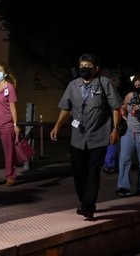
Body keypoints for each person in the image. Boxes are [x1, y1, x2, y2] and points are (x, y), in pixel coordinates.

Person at [50, 53, 122, 220]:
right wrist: (57, 126)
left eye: (88, 67)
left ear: (96, 69)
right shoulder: (73, 85)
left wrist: (115, 129)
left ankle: (88, 206)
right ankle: (85, 202)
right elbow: (65, 108)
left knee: (92, 171)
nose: (84, 69)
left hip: (99, 136)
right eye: (81, 66)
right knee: (78, 172)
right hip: (78, 138)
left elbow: (116, 107)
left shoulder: (104, 83)